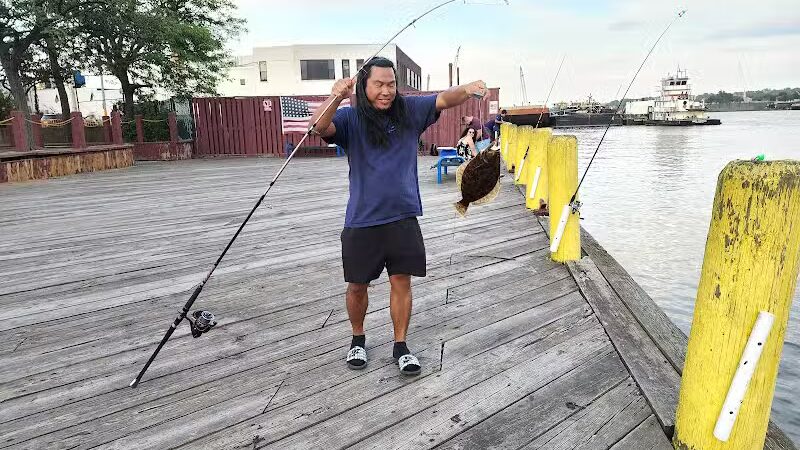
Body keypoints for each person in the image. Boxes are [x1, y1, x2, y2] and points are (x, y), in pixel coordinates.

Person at [310, 57, 487, 376]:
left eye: (391, 84)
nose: (386, 90)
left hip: (403, 217)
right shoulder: (350, 118)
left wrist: (468, 89)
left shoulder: (410, 111)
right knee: (356, 286)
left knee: (401, 281)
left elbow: (445, 98)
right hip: (362, 219)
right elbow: (320, 126)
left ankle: (401, 346)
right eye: (378, 84)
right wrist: (336, 95)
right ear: (364, 86)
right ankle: (358, 338)